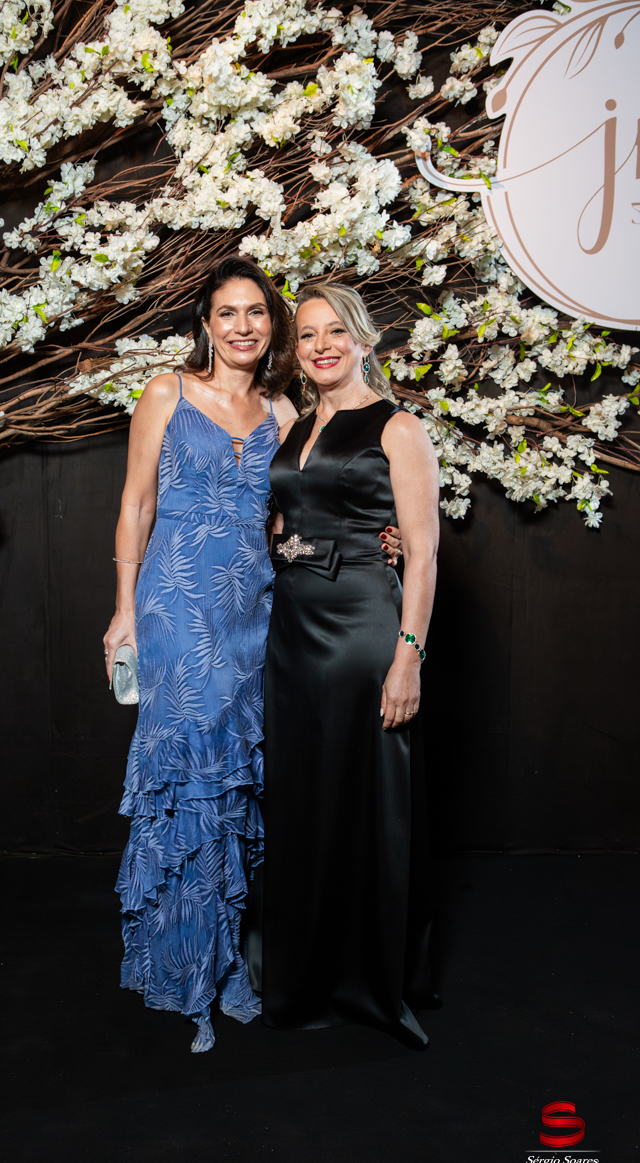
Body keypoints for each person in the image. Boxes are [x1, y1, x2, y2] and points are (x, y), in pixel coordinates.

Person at [103, 257, 298, 1052]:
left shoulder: (285, 409)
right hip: (177, 603)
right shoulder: (167, 392)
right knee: (191, 768)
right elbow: (136, 503)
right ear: (205, 325)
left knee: (235, 772)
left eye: (257, 312)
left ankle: (224, 950)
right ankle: (183, 960)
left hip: (255, 611)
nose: (243, 326)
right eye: (228, 313)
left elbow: (291, 518)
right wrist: (123, 611)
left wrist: (376, 540)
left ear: (272, 325)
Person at [261, 282, 440, 1050]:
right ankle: (305, 971)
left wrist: (408, 658)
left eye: (336, 331)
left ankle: (366, 978)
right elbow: (287, 520)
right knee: (304, 801)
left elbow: (423, 553)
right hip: (293, 633)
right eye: (307, 335)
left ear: (364, 340)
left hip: (362, 631)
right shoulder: (296, 425)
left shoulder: (398, 427)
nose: (321, 345)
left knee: (362, 801)